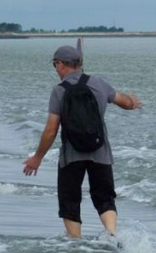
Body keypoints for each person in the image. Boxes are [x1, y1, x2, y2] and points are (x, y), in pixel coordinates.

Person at [23, 43, 142, 238]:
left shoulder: (59, 90)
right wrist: (132, 102)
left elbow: (51, 130)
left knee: (70, 201)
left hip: (72, 155)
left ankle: (76, 245)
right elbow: (124, 102)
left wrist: (37, 157)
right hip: (100, 151)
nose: (56, 70)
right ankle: (111, 233)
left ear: (61, 64)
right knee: (105, 198)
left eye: (55, 65)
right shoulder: (99, 84)